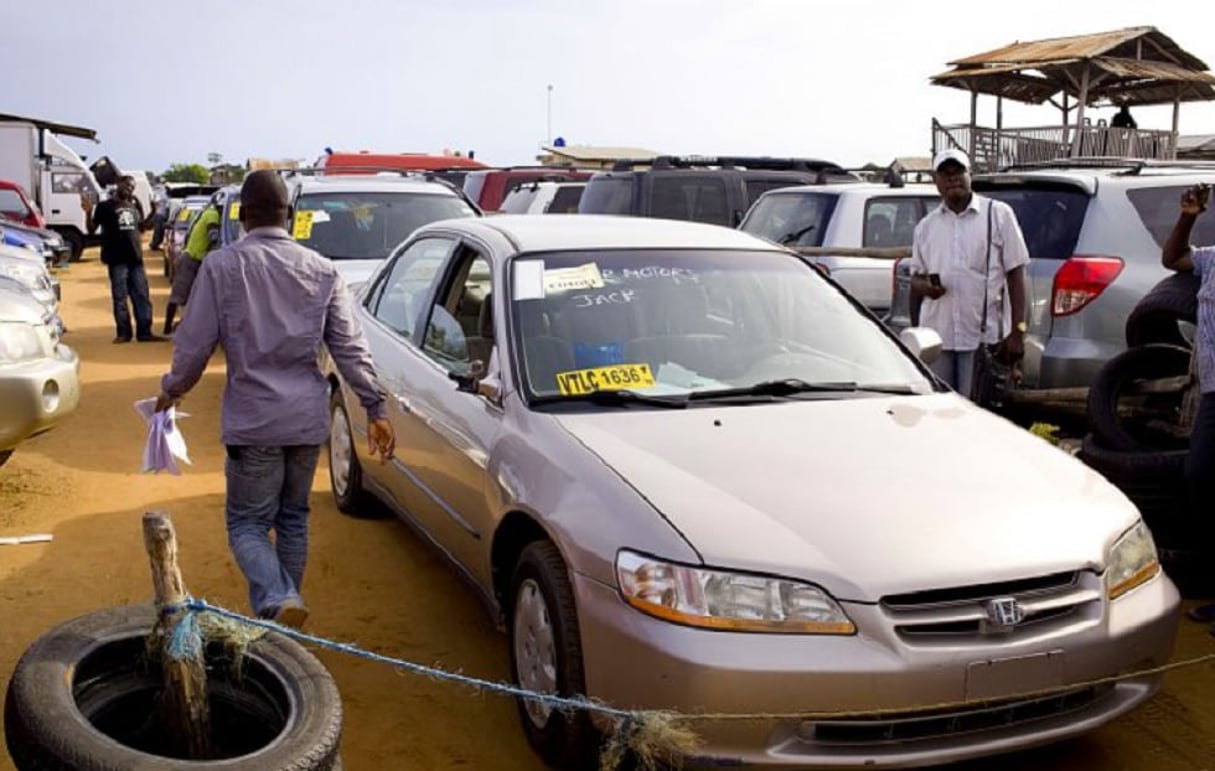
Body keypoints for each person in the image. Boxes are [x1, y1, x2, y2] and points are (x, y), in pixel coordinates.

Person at [155, 170, 396, 629]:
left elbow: (194, 345)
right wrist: (375, 407)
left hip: (253, 422)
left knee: (246, 525)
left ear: (242, 217)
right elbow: (349, 347)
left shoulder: (222, 267)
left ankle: (280, 597)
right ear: (290, 216)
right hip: (306, 422)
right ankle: (284, 619)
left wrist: (172, 391)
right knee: (293, 518)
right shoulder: (323, 270)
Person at [909, 149, 1030, 399]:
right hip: (937, 340)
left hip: (981, 340)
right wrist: (925, 288)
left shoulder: (998, 214)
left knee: (976, 412)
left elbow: (1016, 275)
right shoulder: (926, 227)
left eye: (958, 172)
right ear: (936, 181)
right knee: (940, 411)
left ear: (970, 175)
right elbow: (915, 279)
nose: (953, 178)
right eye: (945, 173)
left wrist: (1018, 331)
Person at [1160, 182, 1215, 628]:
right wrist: (1188, 216)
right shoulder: (1212, 260)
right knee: (1201, 475)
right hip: (1214, 393)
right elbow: (1172, 259)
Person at [82, 176, 160, 343]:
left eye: (132, 187)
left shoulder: (133, 206)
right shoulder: (104, 207)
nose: (129, 189)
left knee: (142, 296)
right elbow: (91, 230)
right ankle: (123, 333)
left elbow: (141, 228)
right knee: (120, 297)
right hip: (116, 259)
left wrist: (153, 212)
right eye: (127, 185)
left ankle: (144, 332)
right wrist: (88, 213)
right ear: (118, 184)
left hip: (136, 259)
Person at [164, 195, 222, 334]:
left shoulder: (206, 213)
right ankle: (167, 326)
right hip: (192, 259)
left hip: (198, 259)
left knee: (196, 298)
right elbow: (213, 236)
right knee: (180, 294)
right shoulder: (212, 215)